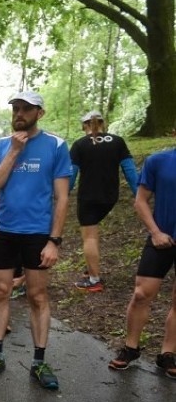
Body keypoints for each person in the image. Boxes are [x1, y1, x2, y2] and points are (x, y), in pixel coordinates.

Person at [0, 91, 71, 390]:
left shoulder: (56, 146)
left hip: (37, 234)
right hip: (4, 231)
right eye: (16, 108)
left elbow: (62, 197)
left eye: (26, 109)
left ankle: (39, 360)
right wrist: (14, 152)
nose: (19, 113)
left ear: (39, 113)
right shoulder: (2, 145)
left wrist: (54, 241)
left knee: (37, 296)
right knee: (1, 290)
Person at [108, 147, 175, 379]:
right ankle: (130, 348)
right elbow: (140, 201)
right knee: (141, 294)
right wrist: (155, 232)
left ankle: (167, 354)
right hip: (161, 238)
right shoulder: (158, 161)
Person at [69, 111, 138, 292]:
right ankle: (91, 267)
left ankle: (94, 280)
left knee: (90, 236)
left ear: (84, 126)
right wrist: (138, 194)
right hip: (110, 198)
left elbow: (71, 174)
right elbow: (129, 170)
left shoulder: (79, 145)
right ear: (103, 123)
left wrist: (63, 193)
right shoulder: (118, 141)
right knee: (93, 234)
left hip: (88, 198)